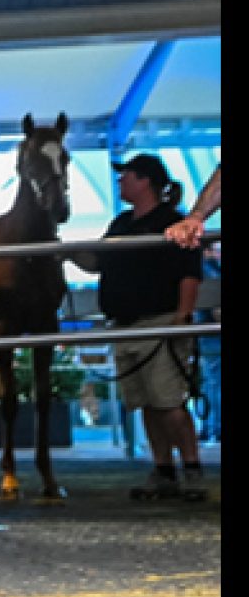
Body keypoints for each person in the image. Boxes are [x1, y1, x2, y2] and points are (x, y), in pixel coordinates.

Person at [76, 154, 205, 500]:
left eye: (126, 176)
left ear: (144, 180)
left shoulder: (171, 223)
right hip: (127, 325)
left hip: (159, 321)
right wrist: (67, 252)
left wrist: (182, 318)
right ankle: (164, 469)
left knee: (168, 401)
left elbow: (189, 274)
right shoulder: (121, 224)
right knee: (147, 402)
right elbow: (96, 262)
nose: (120, 182)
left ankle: (190, 467)